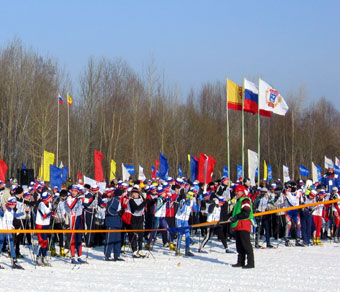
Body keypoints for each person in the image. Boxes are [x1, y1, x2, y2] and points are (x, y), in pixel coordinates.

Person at [230, 184, 254, 269]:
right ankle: (240, 262)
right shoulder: (238, 201)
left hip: (244, 225)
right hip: (238, 225)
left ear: (242, 192)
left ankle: (251, 263)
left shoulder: (245, 200)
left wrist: (237, 217)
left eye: (238, 191)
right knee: (239, 245)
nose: (236, 193)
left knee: (246, 244)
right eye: (236, 191)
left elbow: (246, 212)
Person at [0, 196, 25, 269]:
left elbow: (15, 215)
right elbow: (1, 213)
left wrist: (23, 213)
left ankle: (14, 261)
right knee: (0, 246)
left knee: (11, 245)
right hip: (2, 230)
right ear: (10, 203)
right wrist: (2, 210)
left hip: (9, 231)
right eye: (14, 204)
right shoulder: (4, 209)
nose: (14, 206)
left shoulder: (11, 210)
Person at [104, 189, 124, 261]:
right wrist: (117, 213)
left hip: (117, 223)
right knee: (110, 239)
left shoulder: (118, 201)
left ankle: (117, 255)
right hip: (111, 223)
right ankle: (107, 255)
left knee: (117, 240)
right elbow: (109, 210)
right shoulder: (113, 200)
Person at [35, 191, 53, 266]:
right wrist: (51, 213)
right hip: (40, 224)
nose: (51, 198)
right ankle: (38, 257)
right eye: (49, 197)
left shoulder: (49, 204)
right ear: (46, 198)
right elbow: (44, 215)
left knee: (45, 241)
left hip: (46, 224)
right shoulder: (41, 204)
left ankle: (44, 256)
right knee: (41, 241)